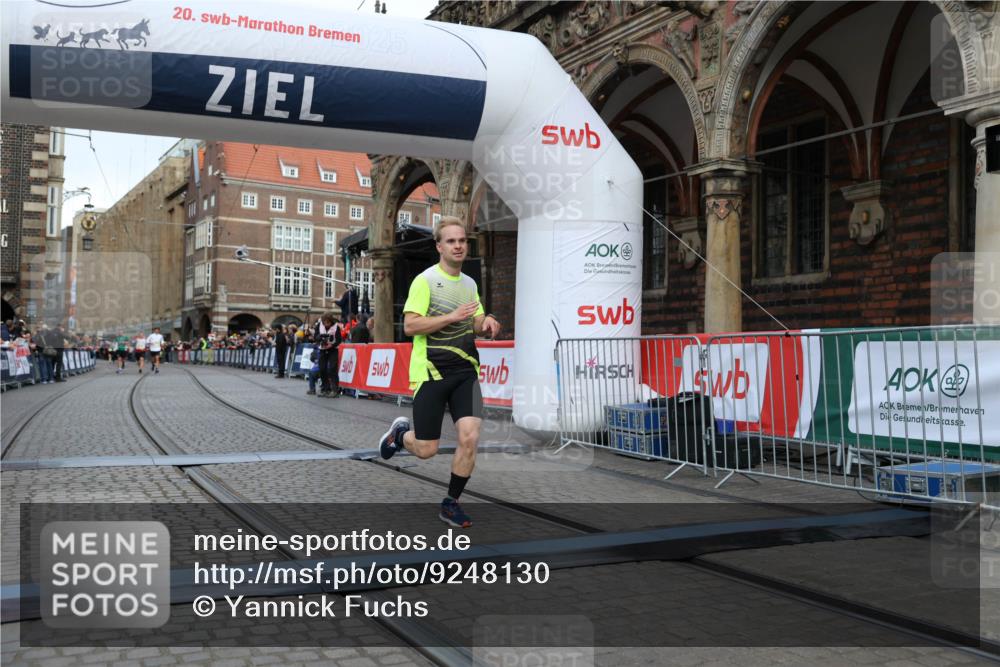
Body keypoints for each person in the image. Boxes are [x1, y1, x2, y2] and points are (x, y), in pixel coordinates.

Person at [379, 216, 501, 528]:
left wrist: (485, 323)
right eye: (451, 241)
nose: (458, 246)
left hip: (466, 372)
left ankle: (451, 503)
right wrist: (451, 317)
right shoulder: (426, 281)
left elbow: (474, 320)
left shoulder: (470, 283)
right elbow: (410, 325)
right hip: (431, 372)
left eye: (462, 241)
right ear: (439, 246)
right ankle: (400, 436)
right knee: (426, 450)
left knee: (470, 437)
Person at [313, 312, 342, 397]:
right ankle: (325, 388)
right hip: (322, 349)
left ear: (331, 321)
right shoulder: (319, 325)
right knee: (322, 369)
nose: (326, 324)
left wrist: (332, 345)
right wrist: (319, 338)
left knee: (333, 368)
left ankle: (335, 390)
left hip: (333, 350)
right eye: (325, 322)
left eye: (328, 322)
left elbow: (339, 340)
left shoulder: (336, 327)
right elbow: (315, 337)